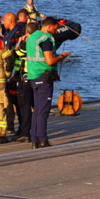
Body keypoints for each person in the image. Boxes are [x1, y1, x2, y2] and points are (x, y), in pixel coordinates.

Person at [25, 17, 72, 148]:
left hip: (33, 76)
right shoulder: (46, 38)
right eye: (55, 29)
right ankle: (43, 139)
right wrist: (62, 56)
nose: (56, 32)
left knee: (36, 110)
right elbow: (50, 61)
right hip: (44, 77)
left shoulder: (33, 37)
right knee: (43, 110)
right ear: (49, 27)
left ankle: (34, 139)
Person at [11, 21, 36, 141]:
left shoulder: (27, 44)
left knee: (24, 106)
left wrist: (20, 42)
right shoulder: (38, 42)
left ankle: (25, 132)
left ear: (27, 32)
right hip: (34, 77)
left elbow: (16, 52)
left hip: (25, 78)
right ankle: (33, 129)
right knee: (34, 104)